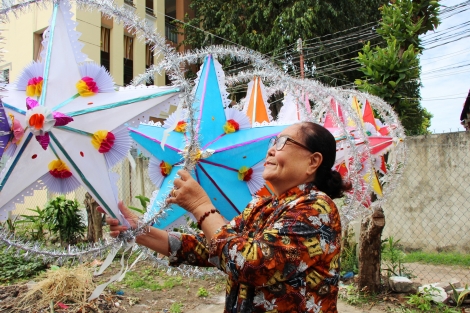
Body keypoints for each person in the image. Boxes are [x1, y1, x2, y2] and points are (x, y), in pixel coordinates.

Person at [102, 122, 350, 313]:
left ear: (313, 161)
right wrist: (139, 231)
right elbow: (211, 245)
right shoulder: (263, 206)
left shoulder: (316, 209)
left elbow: (253, 265)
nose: (272, 150)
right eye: (273, 142)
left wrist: (200, 206)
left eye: (284, 142)